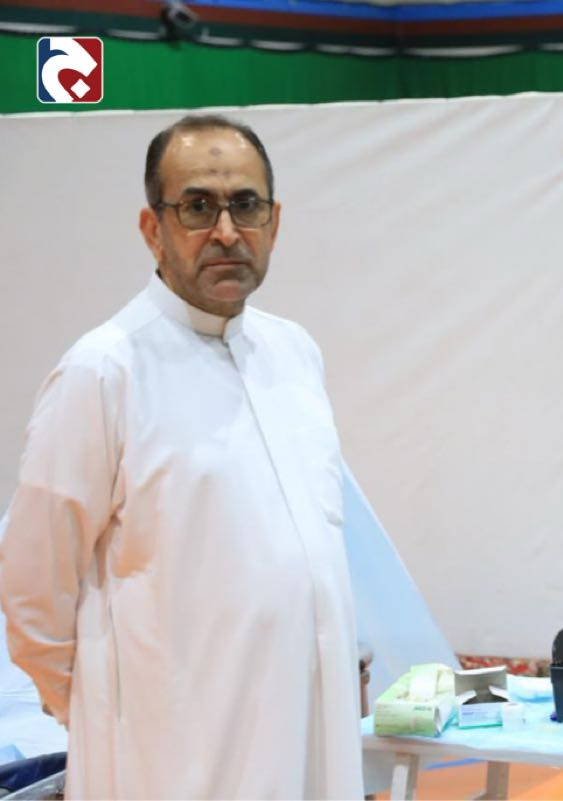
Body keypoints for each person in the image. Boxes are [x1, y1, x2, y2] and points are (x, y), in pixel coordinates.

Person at [0, 115, 363, 798]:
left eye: (246, 205)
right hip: (170, 756)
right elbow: (31, 590)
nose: (226, 231)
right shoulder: (103, 371)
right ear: (152, 229)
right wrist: (111, 716)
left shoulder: (294, 353)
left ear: (275, 221)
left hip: (308, 732)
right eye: (198, 206)